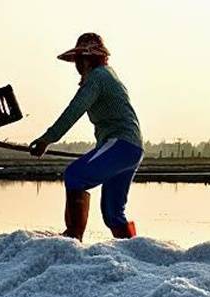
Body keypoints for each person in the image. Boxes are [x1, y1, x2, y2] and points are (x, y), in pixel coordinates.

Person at [30, 33, 144, 241]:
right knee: (113, 212)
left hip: (120, 143)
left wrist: (47, 139)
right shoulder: (109, 75)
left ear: (86, 59)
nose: (77, 66)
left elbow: (74, 110)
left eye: (78, 61)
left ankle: (73, 238)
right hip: (132, 148)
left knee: (75, 175)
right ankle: (133, 250)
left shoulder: (97, 77)